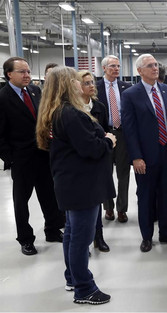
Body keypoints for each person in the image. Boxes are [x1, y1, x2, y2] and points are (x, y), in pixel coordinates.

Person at [36, 66, 116, 305]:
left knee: (72, 233)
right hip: (82, 184)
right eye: (76, 81)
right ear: (67, 85)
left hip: (71, 181)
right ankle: (84, 289)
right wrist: (108, 140)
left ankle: (72, 277)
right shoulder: (70, 113)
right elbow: (90, 148)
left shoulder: (58, 111)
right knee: (81, 237)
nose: (81, 85)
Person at [121, 54, 167, 252]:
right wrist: (136, 157)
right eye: (150, 66)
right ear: (140, 71)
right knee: (146, 195)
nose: (155, 68)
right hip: (145, 155)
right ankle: (147, 237)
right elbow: (129, 129)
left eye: (156, 65)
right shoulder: (131, 94)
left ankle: (166, 232)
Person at [0, 57, 64, 256]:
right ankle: (26, 239)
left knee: (49, 196)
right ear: (9, 74)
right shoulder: (2, 97)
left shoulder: (35, 91)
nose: (27, 75)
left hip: (43, 154)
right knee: (22, 201)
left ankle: (52, 230)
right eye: (22, 72)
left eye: (28, 71)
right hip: (21, 158)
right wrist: (10, 158)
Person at [78, 70, 111, 252]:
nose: (91, 86)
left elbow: (105, 131)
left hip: (98, 159)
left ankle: (98, 237)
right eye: (86, 83)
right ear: (77, 86)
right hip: (81, 163)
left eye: (92, 82)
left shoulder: (99, 107)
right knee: (82, 206)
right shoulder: (73, 110)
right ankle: (83, 242)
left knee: (97, 201)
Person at [96, 55, 132, 223]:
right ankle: (108, 208)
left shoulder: (126, 87)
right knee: (105, 173)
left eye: (118, 66)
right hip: (103, 134)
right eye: (112, 66)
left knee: (123, 173)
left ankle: (122, 209)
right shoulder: (95, 87)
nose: (116, 69)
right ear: (104, 68)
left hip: (122, 134)